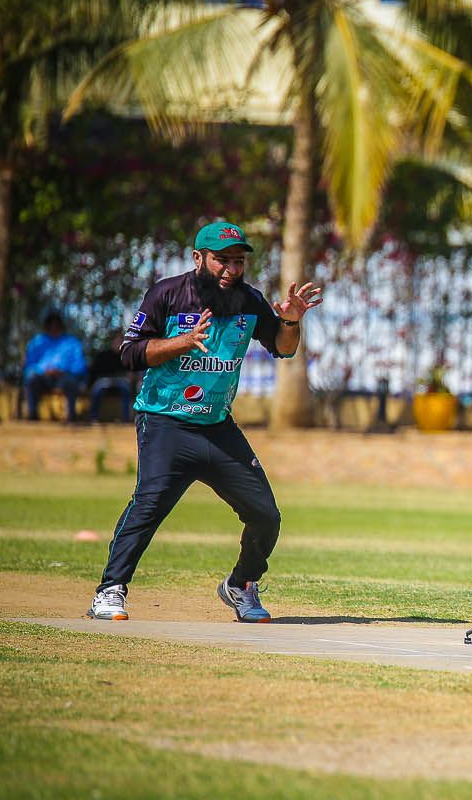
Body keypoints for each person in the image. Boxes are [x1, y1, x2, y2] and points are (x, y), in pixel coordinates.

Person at [86, 220, 323, 622]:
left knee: (266, 515)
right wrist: (181, 342)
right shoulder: (167, 294)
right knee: (149, 505)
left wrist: (290, 321)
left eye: (238, 261)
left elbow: (284, 349)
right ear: (198, 258)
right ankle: (110, 591)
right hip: (164, 421)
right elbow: (129, 353)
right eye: (221, 260)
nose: (231, 269)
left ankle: (241, 585)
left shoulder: (249, 300)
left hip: (217, 425)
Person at [22, 312, 87, 422]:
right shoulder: (37, 342)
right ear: (46, 326)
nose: (54, 328)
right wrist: (43, 371)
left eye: (56, 325)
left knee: (71, 382)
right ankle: (32, 414)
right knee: (31, 378)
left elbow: (79, 366)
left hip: (65, 377)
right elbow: (29, 365)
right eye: (51, 325)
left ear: (61, 326)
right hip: (43, 377)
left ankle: (70, 415)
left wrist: (62, 371)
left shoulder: (72, 343)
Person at [87, 329, 137, 424]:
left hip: (122, 381)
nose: (119, 343)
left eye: (121, 340)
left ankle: (125, 419)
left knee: (126, 388)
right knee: (96, 389)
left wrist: (130, 376)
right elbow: (95, 372)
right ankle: (93, 417)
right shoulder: (103, 355)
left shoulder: (127, 356)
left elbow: (132, 374)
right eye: (117, 340)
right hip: (104, 380)